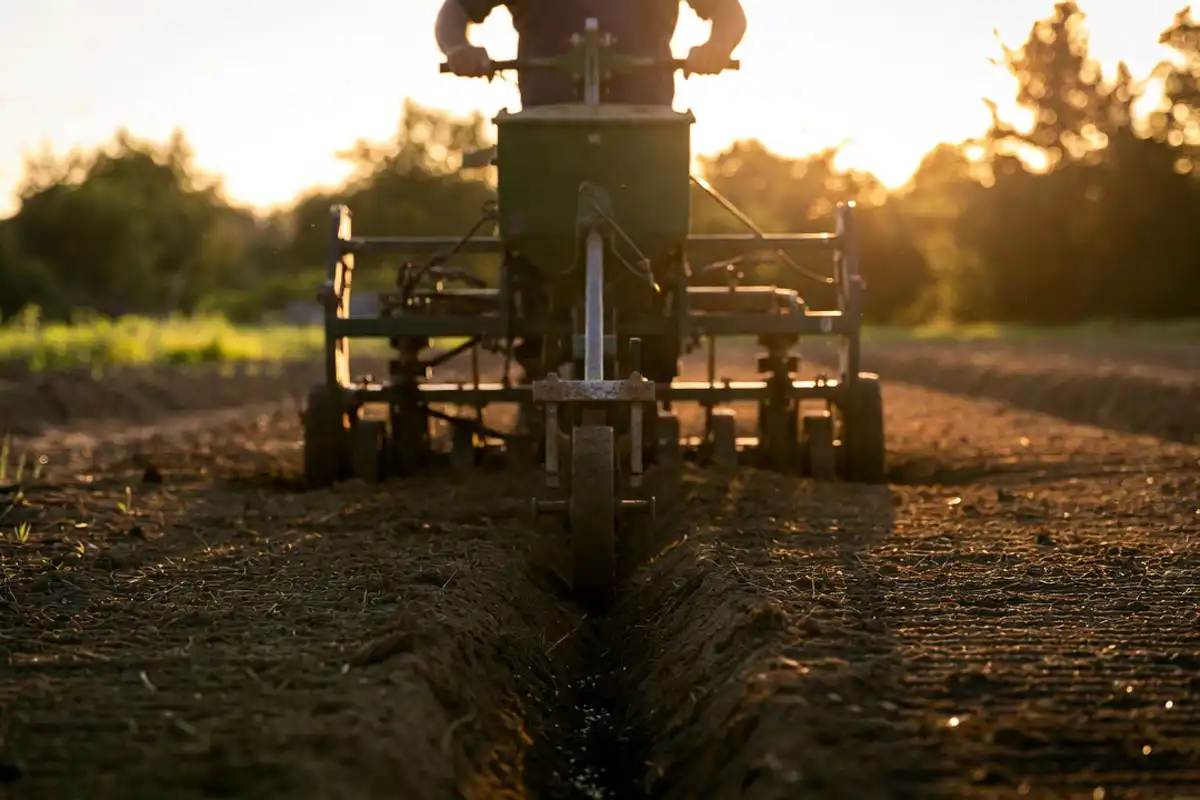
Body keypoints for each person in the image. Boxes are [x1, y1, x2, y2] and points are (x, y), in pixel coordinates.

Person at [435, 0, 747, 107]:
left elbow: (728, 11)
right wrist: (458, 49)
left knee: (657, 225)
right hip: (545, 130)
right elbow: (455, 9)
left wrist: (717, 47)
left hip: (648, 128)